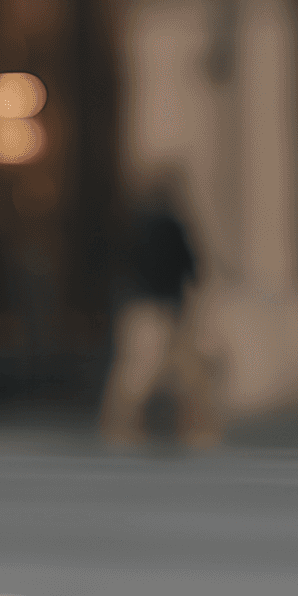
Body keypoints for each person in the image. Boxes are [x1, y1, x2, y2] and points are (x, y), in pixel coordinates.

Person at [97, 180, 220, 449]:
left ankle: (119, 429)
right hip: (169, 308)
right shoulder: (172, 226)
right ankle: (198, 431)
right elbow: (194, 268)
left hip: (142, 307)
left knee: (139, 371)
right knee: (184, 373)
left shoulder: (136, 227)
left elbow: (119, 266)